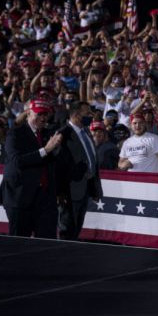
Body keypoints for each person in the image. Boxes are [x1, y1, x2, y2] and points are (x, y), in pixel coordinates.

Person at [0, 99, 64, 238]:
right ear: (28, 113)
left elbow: (54, 165)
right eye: (39, 114)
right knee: (19, 244)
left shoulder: (48, 134)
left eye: (45, 115)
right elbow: (18, 161)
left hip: (46, 198)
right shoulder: (15, 134)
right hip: (20, 197)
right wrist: (46, 150)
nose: (43, 118)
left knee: (46, 243)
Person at [57, 101, 103, 240]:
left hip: (85, 188)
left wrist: (95, 188)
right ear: (77, 115)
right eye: (87, 113)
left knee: (77, 227)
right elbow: (58, 166)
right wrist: (60, 192)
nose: (91, 116)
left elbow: (92, 161)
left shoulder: (86, 132)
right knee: (67, 229)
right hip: (69, 191)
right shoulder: (63, 134)